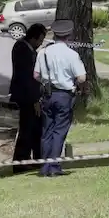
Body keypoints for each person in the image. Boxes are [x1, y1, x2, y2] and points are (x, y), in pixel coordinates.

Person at [34, 19, 86, 177]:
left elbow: (36, 75)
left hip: (47, 94)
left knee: (47, 130)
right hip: (64, 95)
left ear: (54, 34)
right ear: (69, 35)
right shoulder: (72, 54)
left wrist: (46, 81)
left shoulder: (43, 52)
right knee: (59, 131)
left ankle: (44, 166)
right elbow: (82, 77)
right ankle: (54, 166)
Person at [10, 23, 47, 173]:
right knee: (27, 128)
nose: (40, 44)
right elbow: (26, 78)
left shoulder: (26, 49)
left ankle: (36, 157)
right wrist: (34, 100)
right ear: (33, 38)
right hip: (26, 96)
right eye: (40, 40)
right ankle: (20, 161)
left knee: (35, 127)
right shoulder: (23, 50)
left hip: (30, 94)